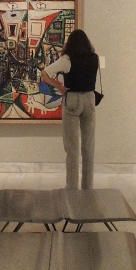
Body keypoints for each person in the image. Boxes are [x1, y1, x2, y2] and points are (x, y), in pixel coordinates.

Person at [40, 29, 100, 190]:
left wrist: (58, 86)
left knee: (72, 148)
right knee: (89, 146)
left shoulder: (67, 59)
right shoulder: (94, 58)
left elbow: (44, 73)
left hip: (72, 100)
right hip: (90, 99)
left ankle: (72, 188)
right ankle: (88, 187)